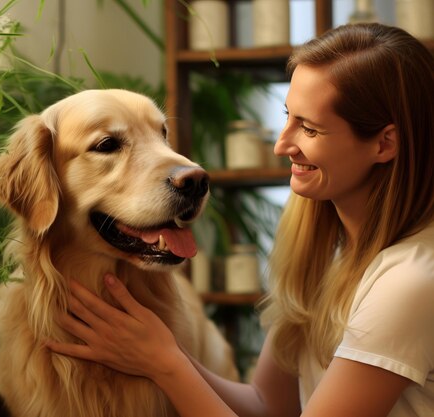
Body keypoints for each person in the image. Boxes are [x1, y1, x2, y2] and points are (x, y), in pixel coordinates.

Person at [46, 23, 434, 417]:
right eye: (288, 115)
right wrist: (156, 350)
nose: (282, 144)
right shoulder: (328, 257)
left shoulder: (409, 283)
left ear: (384, 144)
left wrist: (166, 363)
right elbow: (266, 406)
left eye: (310, 128)